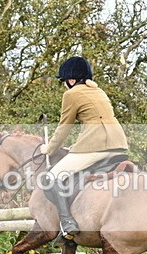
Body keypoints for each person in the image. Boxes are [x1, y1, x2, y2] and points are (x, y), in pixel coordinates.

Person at [39, 56, 129, 240]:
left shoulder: (71, 94)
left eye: (64, 81)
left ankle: (67, 223)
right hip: (119, 144)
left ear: (71, 80)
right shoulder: (99, 92)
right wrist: (75, 146)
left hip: (97, 147)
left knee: (51, 177)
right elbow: (94, 122)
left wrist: (49, 148)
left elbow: (64, 127)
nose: (64, 85)